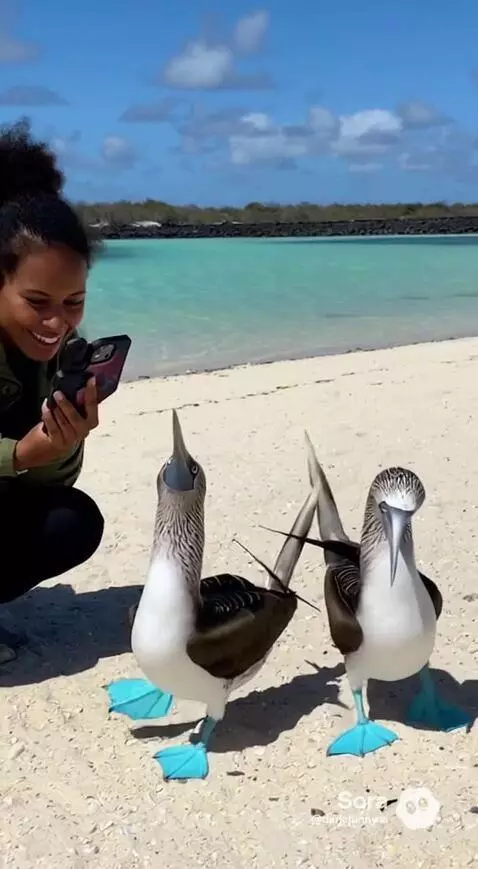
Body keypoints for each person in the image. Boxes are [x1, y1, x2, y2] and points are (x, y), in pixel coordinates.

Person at [0, 119, 104, 663]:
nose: (56, 322)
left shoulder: (64, 354)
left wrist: (59, 444)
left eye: (73, 302)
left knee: (70, 521)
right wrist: (17, 454)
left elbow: (43, 484)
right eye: (37, 301)